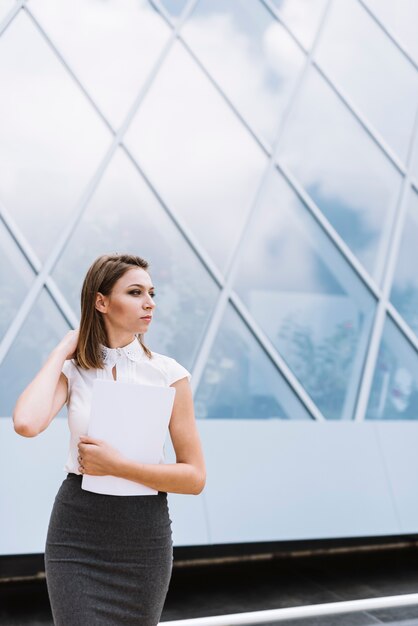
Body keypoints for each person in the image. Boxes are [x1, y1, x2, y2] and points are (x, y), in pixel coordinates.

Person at [13, 253, 206, 626]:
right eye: (135, 292)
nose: (149, 302)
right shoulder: (74, 370)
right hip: (78, 533)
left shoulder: (170, 374)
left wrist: (118, 466)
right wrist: (62, 351)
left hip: (143, 539)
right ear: (101, 302)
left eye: (151, 292)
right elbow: (26, 423)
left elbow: (195, 477)